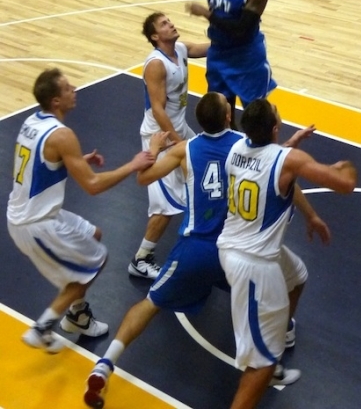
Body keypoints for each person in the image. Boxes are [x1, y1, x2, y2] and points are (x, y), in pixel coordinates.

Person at [84, 94, 325, 409]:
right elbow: (278, 166)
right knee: (282, 290)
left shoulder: (184, 149)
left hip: (195, 249)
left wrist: (153, 149)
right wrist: (309, 208)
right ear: (228, 117)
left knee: (150, 304)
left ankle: (104, 365)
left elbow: (144, 177)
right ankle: (273, 361)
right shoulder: (242, 145)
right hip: (234, 251)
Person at [218, 97, 357, 409]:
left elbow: (273, 170)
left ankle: (279, 333)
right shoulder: (287, 160)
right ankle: (271, 356)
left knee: (297, 276)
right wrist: (345, 166)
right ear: (275, 128)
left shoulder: (237, 149)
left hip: (236, 247)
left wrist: (311, 215)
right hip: (253, 264)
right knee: (262, 365)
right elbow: (345, 185)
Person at [7, 68, 154, 354]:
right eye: (66, 88)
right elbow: (93, 185)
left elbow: (39, 162)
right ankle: (42, 328)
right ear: (56, 101)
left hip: (32, 212)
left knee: (93, 235)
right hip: (35, 224)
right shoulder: (62, 135)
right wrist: (133, 165)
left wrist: (76, 159)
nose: (74, 88)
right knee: (95, 262)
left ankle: (77, 316)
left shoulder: (32, 122)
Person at [128, 12, 210, 280]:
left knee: (203, 178)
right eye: (164, 24)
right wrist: (178, 142)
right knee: (165, 206)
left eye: (169, 21)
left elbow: (205, 48)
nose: (171, 24)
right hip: (161, 137)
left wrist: (232, 33)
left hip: (178, 129)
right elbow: (158, 109)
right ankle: (141, 259)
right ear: (155, 36)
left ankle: (208, 239)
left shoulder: (181, 50)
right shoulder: (156, 64)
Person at [187, 0, 276, 127]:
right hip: (219, 54)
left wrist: (206, 14)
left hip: (247, 57)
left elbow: (241, 30)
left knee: (258, 120)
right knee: (221, 117)